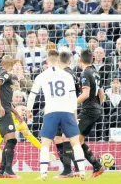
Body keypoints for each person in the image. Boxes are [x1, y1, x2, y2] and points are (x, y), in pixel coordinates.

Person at [27, 50, 86, 181]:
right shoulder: (67, 75)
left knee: (45, 144)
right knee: (75, 143)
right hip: (67, 111)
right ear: (58, 60)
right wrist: (74, 114)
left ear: (47, 61)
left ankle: (43, 173)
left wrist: (29, 110)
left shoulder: (42, 76)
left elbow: (32, 96)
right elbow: (72, 97)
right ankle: (82, 171)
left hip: (51, 112)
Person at [77, 50, 106, 177]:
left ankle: (72, 170)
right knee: (79, 139)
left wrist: (72, 103)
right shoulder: (95, 72)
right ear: (92, 59)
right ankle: (97, 166)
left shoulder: (85, 73)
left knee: (70, 137)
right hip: (97, 109)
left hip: (88, 110)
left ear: (80, 60)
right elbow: (102, 94)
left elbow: (85, 94)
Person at [0, 55, 22, 178]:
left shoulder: (9, 78)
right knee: (11, 140)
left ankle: (2, 172)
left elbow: (7, 103)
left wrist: (17, 113)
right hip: (2, 112)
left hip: (5, 111)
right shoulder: (5, 74)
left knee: (9, 142)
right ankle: (8, 171)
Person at [53, 52, 80, 178]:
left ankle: (67, 170)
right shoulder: (74, 74)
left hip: (63, 109)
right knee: (58, 138)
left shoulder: (62, 75)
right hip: (67, 109)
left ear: (59, 61)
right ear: (70, 61)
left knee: (65, 138)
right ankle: (75, 168)